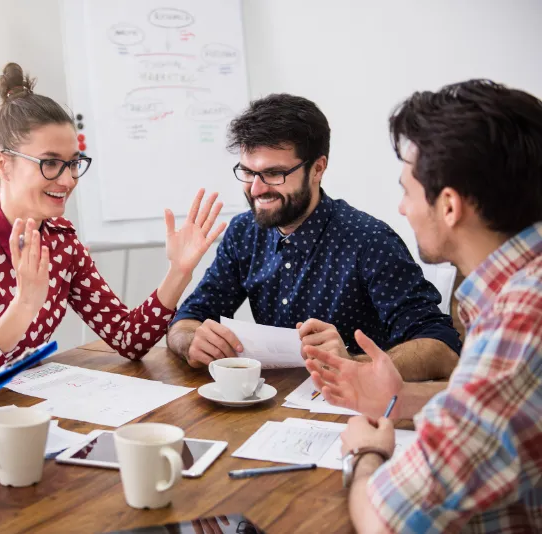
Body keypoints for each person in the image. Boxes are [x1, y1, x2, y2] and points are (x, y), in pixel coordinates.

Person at [306, 80, 542, 533]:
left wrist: (364, 452)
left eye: (407, 191)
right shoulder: (518, 289)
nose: (401, 208)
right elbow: (492, 408)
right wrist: (399, 398)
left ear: (449, 206)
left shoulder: (519, 324)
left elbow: (385, 523)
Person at [0, 63, 225, 384]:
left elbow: (128, 339)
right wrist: (23, 306)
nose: (67, 180)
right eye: (50, 163)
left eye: (74, 163)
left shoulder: (62, 240)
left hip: (23, 408)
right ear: (3, 164)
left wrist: (178, 272)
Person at [166, 94, 461, 380]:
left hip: (356, 413)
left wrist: (354, 365)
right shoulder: (244, 232)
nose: (256, 190)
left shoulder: (369, 240)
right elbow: (187, 321)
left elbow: (443, 348)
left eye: (274, 174)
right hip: (273, 407)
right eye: (248, 172)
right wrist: (191, 340)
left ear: (317, 168)